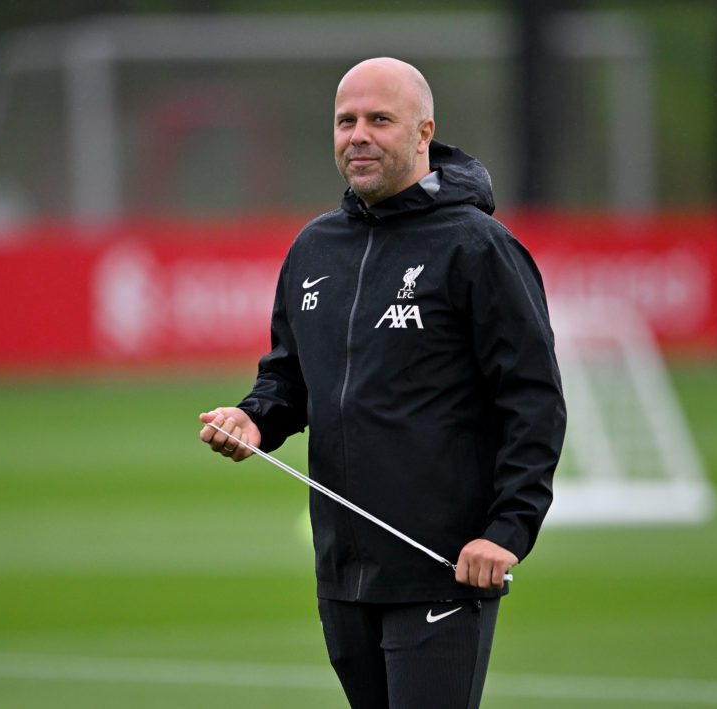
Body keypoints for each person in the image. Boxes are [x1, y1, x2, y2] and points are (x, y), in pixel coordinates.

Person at [199, 57, 566, 709]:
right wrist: (255, 416)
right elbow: (289, 374)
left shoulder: (479, 247)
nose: (358, 135)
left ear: (424, 131)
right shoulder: (314, 248)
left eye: (379, 120)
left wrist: (508, 530)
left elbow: (532, 401)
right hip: (342, 572)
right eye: (346, 121)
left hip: (443, 568)